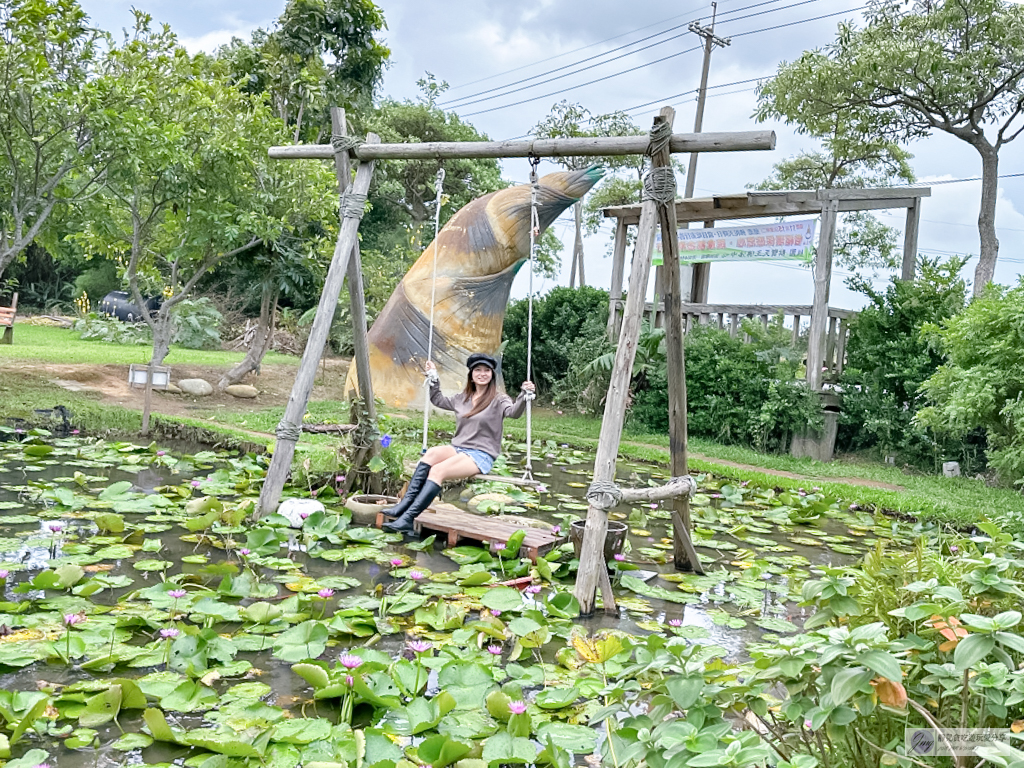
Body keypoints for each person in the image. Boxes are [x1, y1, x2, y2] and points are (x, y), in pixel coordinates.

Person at [383, 353, 536, 534]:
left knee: (437, 471)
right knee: (431, 454)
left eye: (487, 370)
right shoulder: (462, 398)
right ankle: (403, 507)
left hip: (481, 454)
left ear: (492, 374)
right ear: (471, 374)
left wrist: (523, 396)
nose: (482, 374)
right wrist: (433, 378)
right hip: (458, 448)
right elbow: (437, 399)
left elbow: (513, 413)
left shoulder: (498, 399)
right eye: (478, 370)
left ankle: (408, 519)